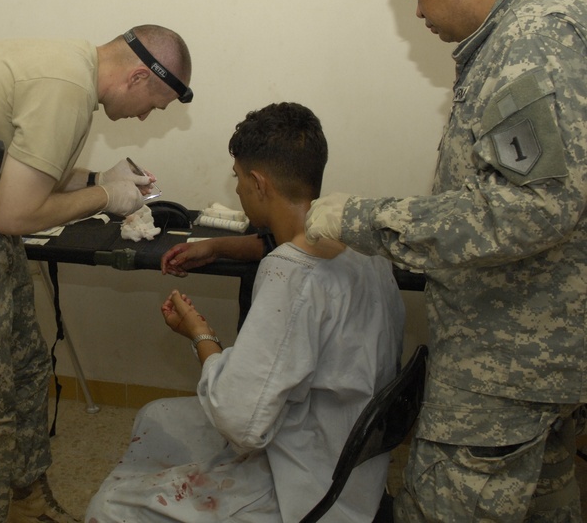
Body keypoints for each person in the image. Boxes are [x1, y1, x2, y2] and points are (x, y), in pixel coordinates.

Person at [304, 0, 587, 521]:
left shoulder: (531, 39)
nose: (417, 10)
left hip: (505, 370)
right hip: (543, 358)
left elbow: (533, 208)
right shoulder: (554, 20)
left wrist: (362, 217)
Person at [0, 25, 193, 523]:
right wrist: (107, 198)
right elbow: (16, 214)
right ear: (138, 76)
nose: (145, 116)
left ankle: (25, 501)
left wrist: (96, 178)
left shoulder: (66, 66)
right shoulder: (67, 87)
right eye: (153, 105)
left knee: (26, 370)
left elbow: (20, 167)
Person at [85, 102, 405, 522]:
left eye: (237, 179)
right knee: (155, 413)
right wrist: (217, 246)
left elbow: (241, 423)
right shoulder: (363, 244)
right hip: (349, 457)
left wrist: (201, 335)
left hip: (307, 487)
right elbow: (284, 246)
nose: (236, 189)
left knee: (109, 508)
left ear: (258, 183)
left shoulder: (291, 275)